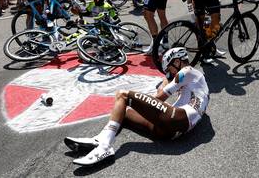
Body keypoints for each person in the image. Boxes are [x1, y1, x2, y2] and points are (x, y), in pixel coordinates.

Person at [64, 47, 210, 166]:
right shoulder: (199, 86)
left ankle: (104, 145)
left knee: (123, 96)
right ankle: (100, 139)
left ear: (177, 62)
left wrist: (164, 82)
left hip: (176, 120)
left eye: (169, 70)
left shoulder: (187, 71)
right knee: (124, 113)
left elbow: (159, 98)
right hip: (171, 131)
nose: (170, 75)